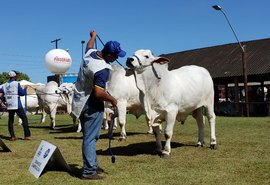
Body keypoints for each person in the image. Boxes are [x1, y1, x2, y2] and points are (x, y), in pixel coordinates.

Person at [72, 30, 126, 180]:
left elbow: (89, 45)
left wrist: (93, 36)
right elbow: (98, 93)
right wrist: (113, 100)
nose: (116, 58)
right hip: (91, 104)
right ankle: (88, 171)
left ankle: (93, 165)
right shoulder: (102, 69)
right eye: (115, 56)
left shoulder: (90, 53)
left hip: (79, 101)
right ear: (109, 55)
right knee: (90, 138)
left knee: (90, 136)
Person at [0, 71, 31, 141]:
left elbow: (1, 91)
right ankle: (27, 136)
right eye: (16, 75)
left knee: (10, 120)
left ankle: (12, 136)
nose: (17, 76)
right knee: (24, 119)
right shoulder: (17, 84)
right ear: (14, 76)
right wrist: (25, 88)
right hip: (17, 105)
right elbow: (22, 93)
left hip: (9, 105)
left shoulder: (4, 85)